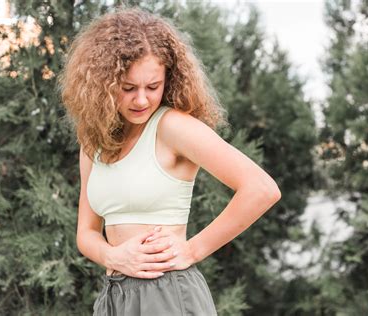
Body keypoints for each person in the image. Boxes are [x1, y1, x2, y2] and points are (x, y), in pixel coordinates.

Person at [59, 7, 281, 316]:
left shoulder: (172, 127)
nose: (141, 99)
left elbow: (261, 188)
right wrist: (112, 257)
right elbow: (86, 233)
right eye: (128, 88)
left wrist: (193, 249)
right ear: (103, 86)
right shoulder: (94, 142)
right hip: (114, 297)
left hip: (167, 294)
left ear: (169, 80)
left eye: (153, 87)